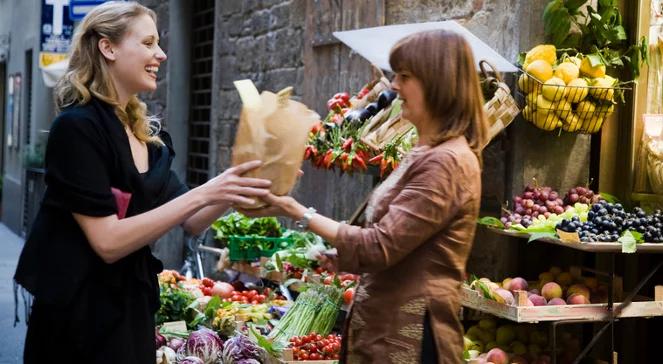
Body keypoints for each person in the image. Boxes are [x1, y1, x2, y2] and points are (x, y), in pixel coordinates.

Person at [13, 2, 271, 363]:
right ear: (108, 47)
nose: (161, 54)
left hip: (129, 309)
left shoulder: (149, 138)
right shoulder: (77, 129)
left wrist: (236, 183)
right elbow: (108, 242)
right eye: (149, 43)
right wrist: (208, 191)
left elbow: (192, 219)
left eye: (159, 43)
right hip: (79, 318)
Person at [242, 29, 487, 363]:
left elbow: (380, 245)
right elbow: (399, 245)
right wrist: (346, 258)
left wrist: (297, 210)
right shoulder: (425, 151)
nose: (395, 86)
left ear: (436, 82)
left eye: (405, 76)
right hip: (384, 329)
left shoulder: (447, 162)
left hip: (410, 338)